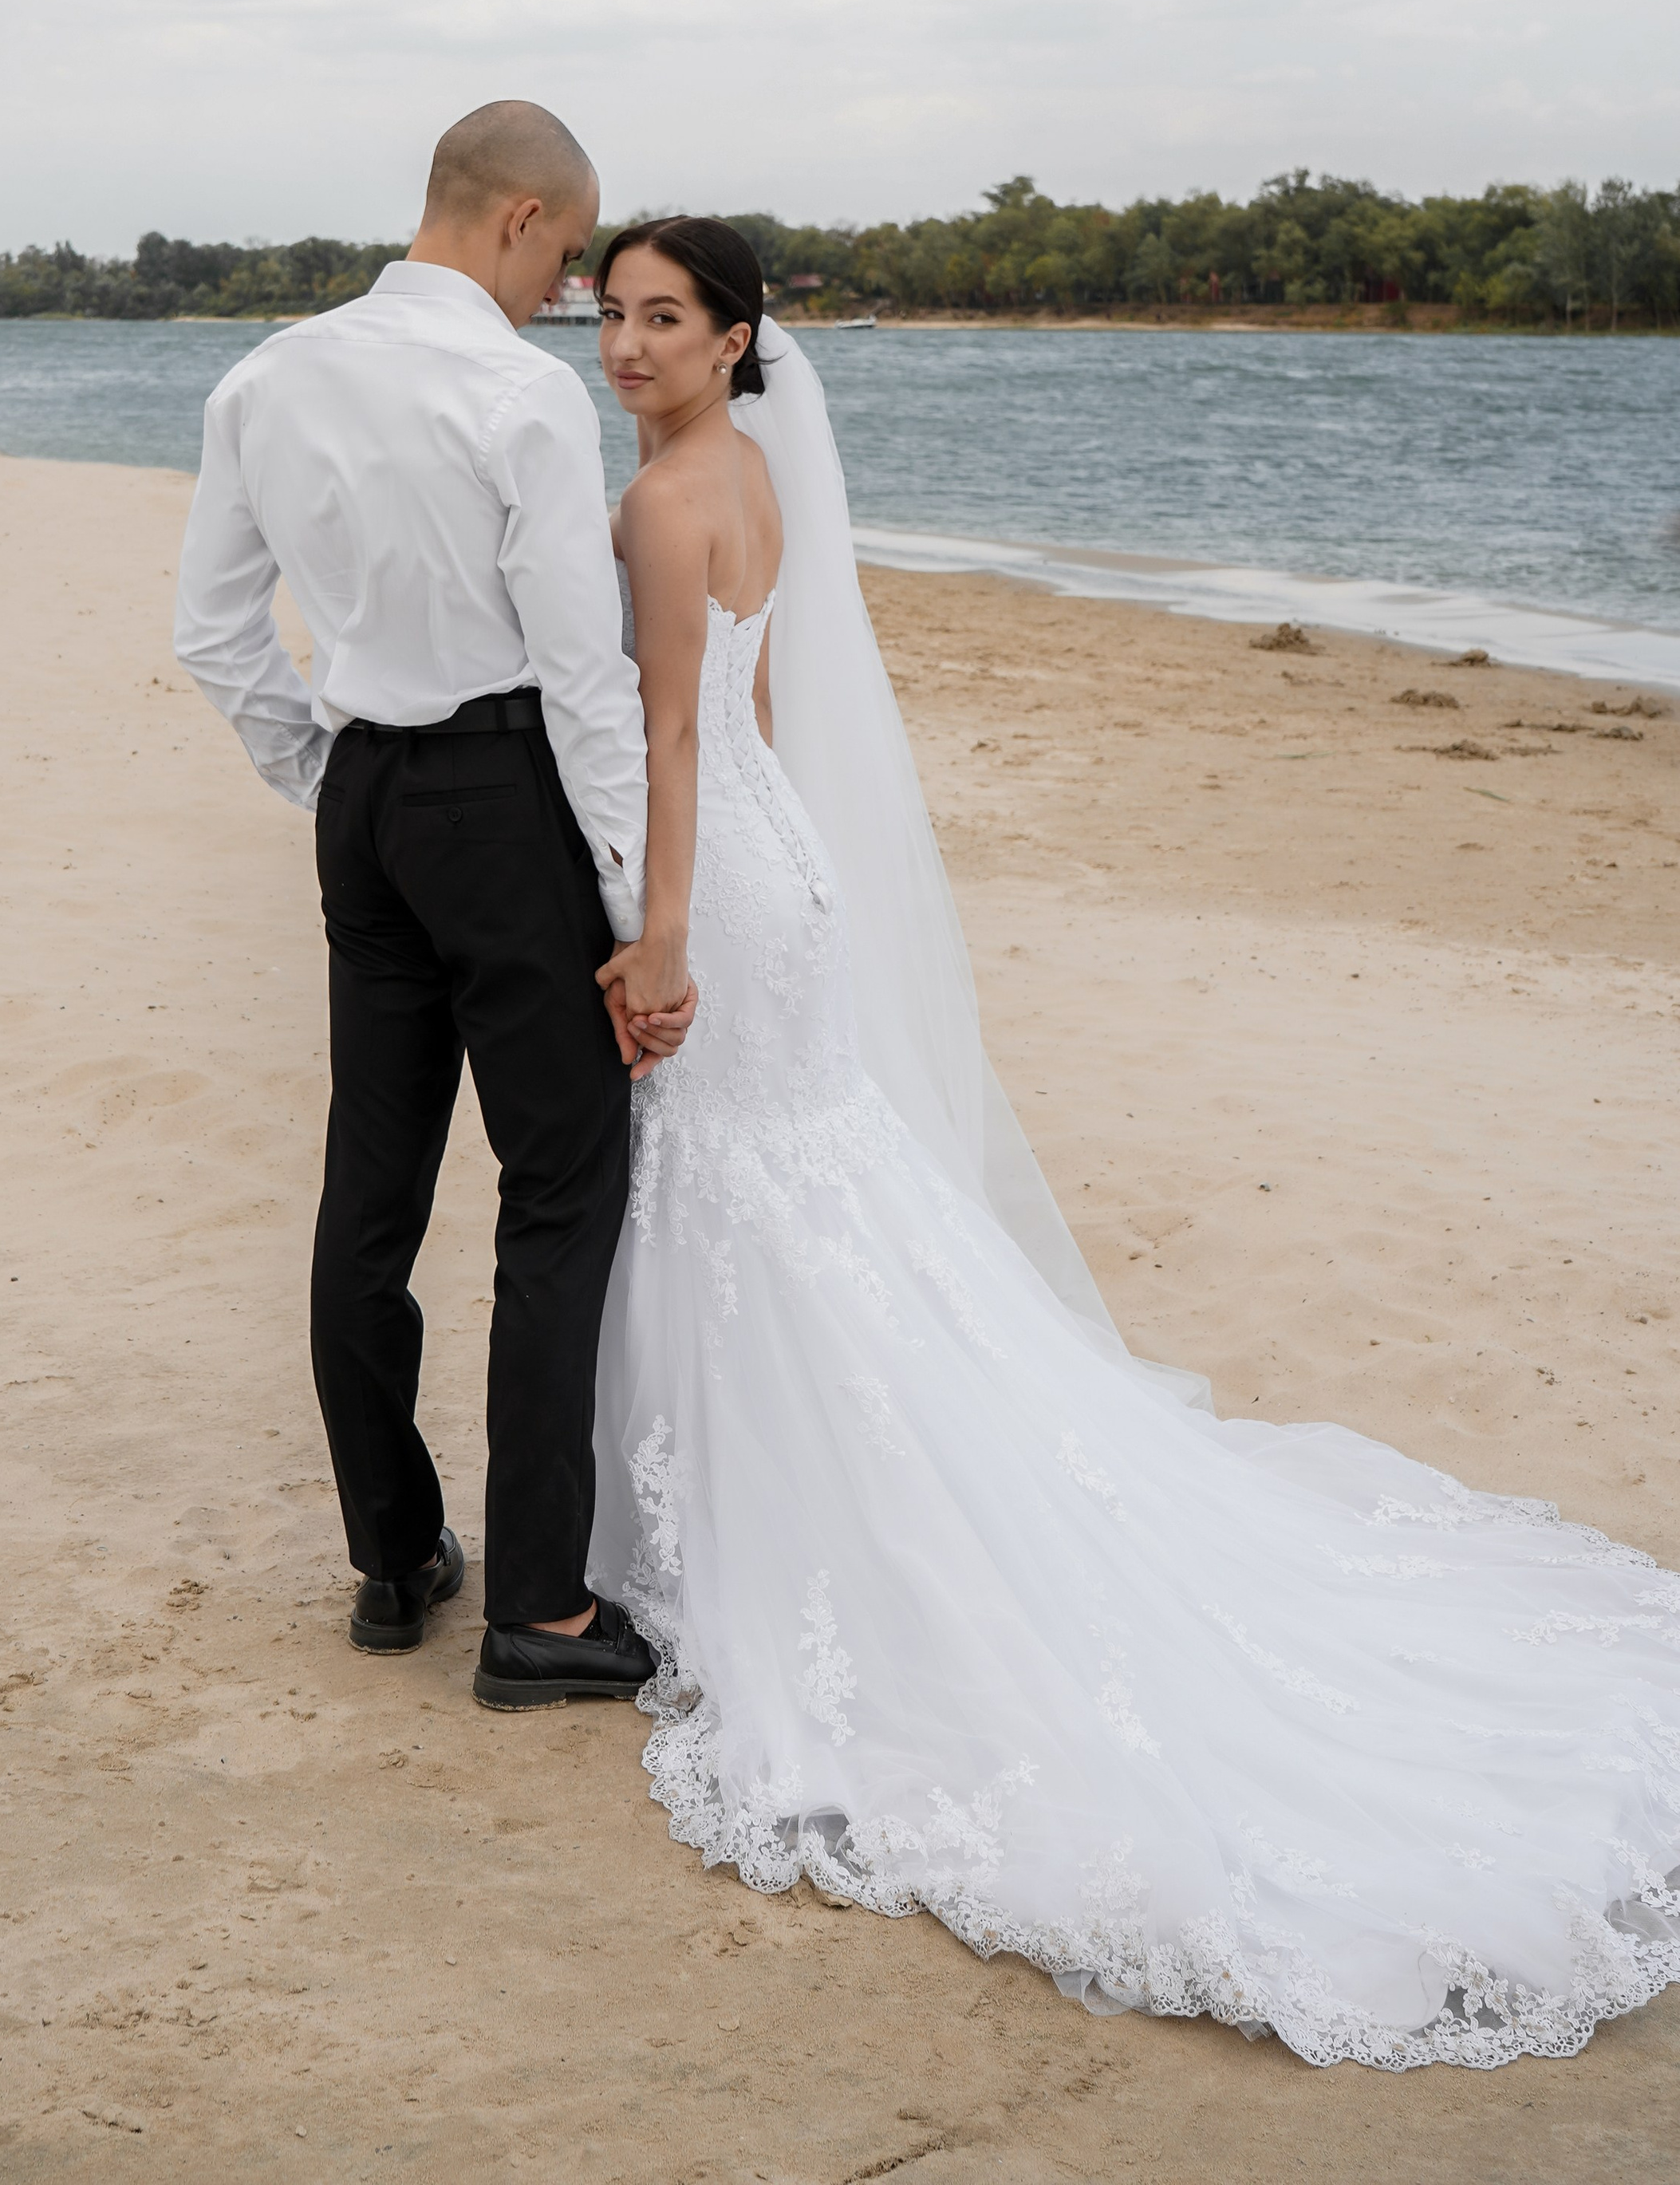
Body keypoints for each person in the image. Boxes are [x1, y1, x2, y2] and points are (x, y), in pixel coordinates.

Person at [586, 215, 1680, 2072]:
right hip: (796, 880)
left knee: (748, 1186)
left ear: (736, 332)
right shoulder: (753, 472)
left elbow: (681, 739)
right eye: (604, 316)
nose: (621, 346)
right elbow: (764, 711)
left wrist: (663, 930)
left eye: (659, 317)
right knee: (805, 1186)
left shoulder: (656, 504)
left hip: (725, 891)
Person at [173, 101, 690, 1711]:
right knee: (557, 1185)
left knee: (372, 1185)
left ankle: (393, 1560)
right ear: (522, 216)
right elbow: (582, 676)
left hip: (366, 802)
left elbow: (215, 632)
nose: (566, 303)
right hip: (495, 794)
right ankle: (539, 1608)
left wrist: (323, 775)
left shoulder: (263, 376)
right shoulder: (515, 395)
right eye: (566, 262)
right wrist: (629, 909)